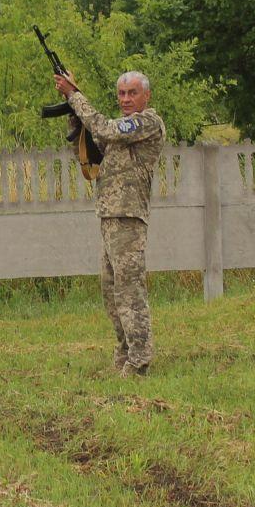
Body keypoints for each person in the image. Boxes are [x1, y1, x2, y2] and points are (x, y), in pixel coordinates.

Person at [53, 69, 166, 375]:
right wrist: (71, 110)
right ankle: (124, 354)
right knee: (111, 291)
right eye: (121, 94)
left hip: (128, 217)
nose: (126, 99)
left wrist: (75, 94)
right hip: (109, 216)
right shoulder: (120, 129)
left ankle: (140, 360)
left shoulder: (147, 123)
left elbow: (105, 129)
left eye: (132, 93)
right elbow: (91, 143)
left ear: (146, 96)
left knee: (130, 291)